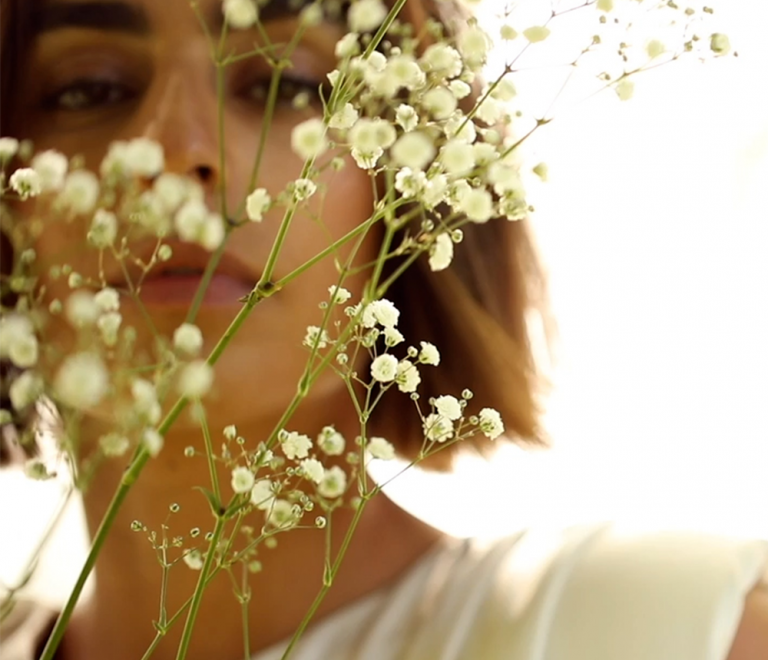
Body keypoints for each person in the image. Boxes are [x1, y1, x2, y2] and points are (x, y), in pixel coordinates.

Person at [0, 1, 767, 659]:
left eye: (284, 85)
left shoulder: (664, 630)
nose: (178, 151)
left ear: (418, 189)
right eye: (88, 89)